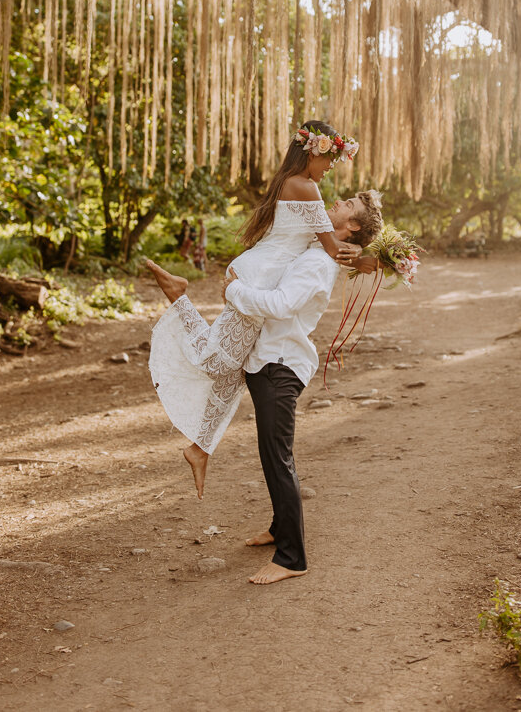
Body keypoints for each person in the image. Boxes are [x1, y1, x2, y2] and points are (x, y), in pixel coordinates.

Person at [146, 120, 361, 499]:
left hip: (263, 277)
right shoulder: (305, 186)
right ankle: (178, 295)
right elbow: (333, 249)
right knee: (216, 363)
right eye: (330, 158)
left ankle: (200, 448)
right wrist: (375, 259)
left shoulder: (296, 182)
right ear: (313, 150)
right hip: (259, 282)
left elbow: (323, 243)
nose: (332, 167)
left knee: (235, 373)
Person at [224, 194, 383, 585]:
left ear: (354, 227)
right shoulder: (319, 248)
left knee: (279, 459)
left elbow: (281, 304)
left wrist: (233, 291)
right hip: (269, 361)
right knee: (271, 454)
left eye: (346, 204)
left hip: (280, 365)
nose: (335, 202)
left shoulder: (316, 262)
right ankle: (280, 529)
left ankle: (292, 558)